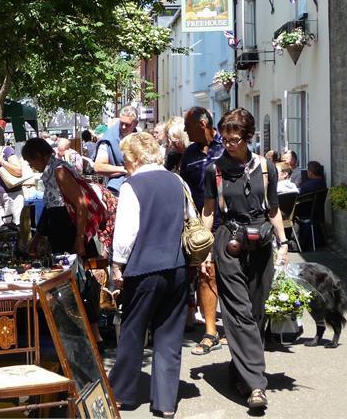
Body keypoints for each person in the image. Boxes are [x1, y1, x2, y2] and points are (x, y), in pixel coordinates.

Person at [201, 108, 288, 410]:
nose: (228, 144)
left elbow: (274, 208)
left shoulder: (266, 168)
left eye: (234, 139)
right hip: (229, 243)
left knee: (255, 311)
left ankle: (239, 370)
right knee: (238, 313)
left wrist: (284, 242)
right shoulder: (214, 170)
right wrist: (203, 251)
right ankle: (256, 386)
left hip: (262, 241)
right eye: (224, 139)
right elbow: (210, 211)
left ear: (248, 137)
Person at [108, 132, 188, 417]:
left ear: (135, 157)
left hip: (144, 269)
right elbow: (188, 218)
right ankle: (166, 403)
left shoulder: (133, 185)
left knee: (132, 330)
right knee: (169, 334)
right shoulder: (177, 181)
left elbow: (126, 234)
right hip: (176, 266)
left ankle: (122, 394)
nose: (126, 165)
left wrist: (117, 265)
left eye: (127, 159)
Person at [180, 106, 225, 356]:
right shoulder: (190, 153)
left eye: (188, 127)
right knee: (205, 274)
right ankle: (210, 330)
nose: (186, 131)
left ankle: (229, 326)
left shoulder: (225, 148)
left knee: (227, 276)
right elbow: (185, 187)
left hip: (226, 223)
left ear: (203, 124)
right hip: (199, 225)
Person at [94, 105, 139, 195]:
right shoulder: (109, 139)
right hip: (117, 190)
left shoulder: (138, 137)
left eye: (127, 124)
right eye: (121, 123)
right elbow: (98, 166)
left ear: (135, 124)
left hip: (138, 186)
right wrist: (125, 169)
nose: (123, 127)